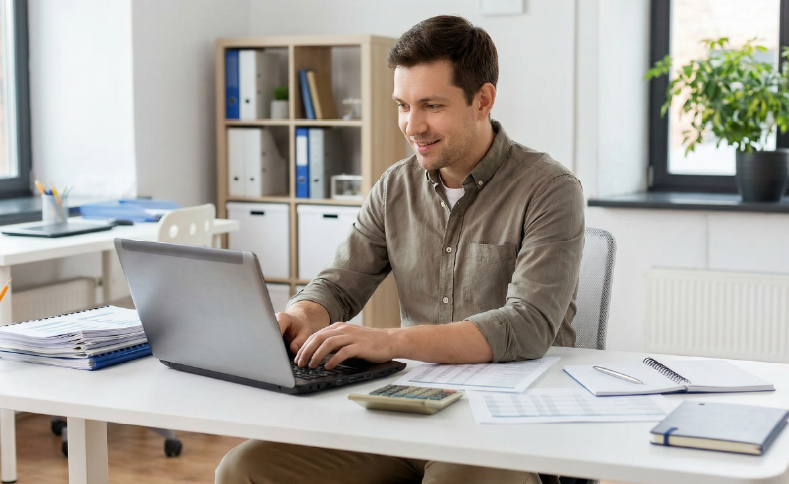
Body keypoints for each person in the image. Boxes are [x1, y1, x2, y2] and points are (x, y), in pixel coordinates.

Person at [216, 15, 584, 484]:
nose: (412, 125)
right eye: (402, 105)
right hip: (410, 408)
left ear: (483, 100)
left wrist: (387, 342)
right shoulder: (394, 187)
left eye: (431, 105)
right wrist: (302, 315)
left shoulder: (549, 189)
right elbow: (338, 284)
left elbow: (528, 326)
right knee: (244, 469)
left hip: (506, 418)